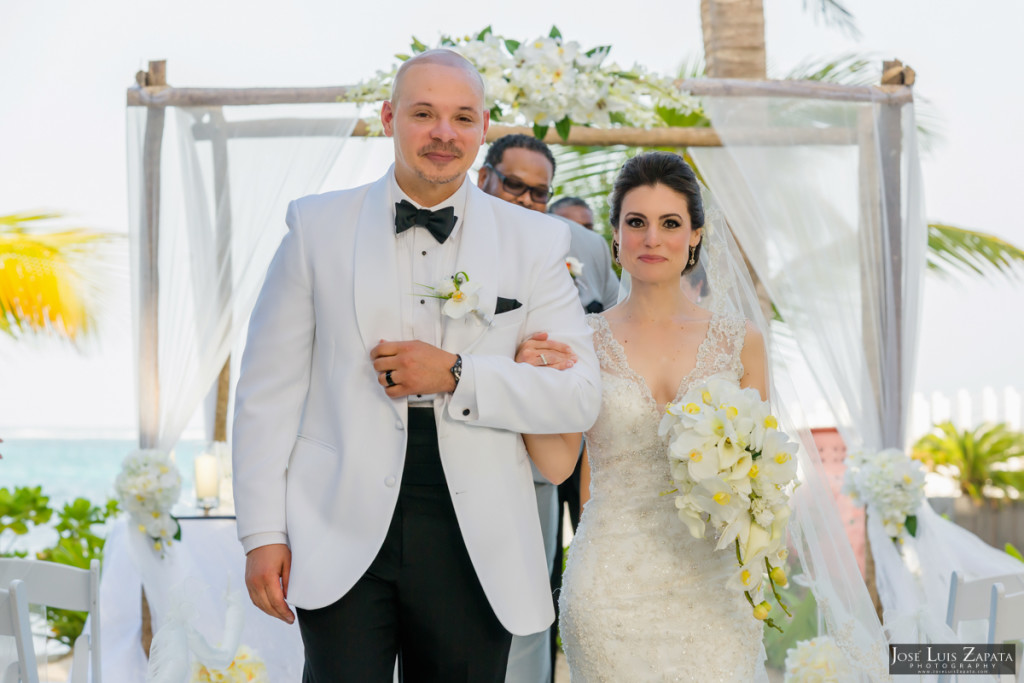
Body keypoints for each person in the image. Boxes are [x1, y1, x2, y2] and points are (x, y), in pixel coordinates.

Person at [232, 49, 601, 682]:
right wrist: (261, 532)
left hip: (475, 532)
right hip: (337, 520)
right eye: (424, 113)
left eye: (462, 117)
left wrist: (457, 373)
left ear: (483, 128)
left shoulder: (537, 242)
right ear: (388, 118)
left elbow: (579, 397)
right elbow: (267, 393)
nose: (443, 133)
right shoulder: (315, 227)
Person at [514, 151, 770, 680]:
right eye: (637, 222)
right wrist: (526, 387)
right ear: (615, 235)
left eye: (670, 223)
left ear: (695, 235)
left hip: (715, 589)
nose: (652, 238)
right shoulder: (580, 341)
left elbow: (761, 472)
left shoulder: (740, 342)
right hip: (610, 589)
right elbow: (560, 465)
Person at [476, 134, 617, 683]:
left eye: (540, 193)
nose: (528, 201)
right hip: (456, 451)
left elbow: (605, 333)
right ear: (485, 176)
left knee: (531, 605)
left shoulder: (580, 248)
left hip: (553, 453)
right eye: (515, 186)